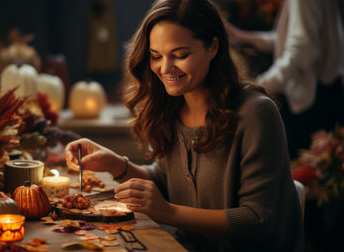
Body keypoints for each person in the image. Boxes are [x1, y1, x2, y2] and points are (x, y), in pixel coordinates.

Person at [65, 0, 304, 251]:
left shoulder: (255, 113)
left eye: (180, 55)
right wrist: (116, 164)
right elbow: (166, 181)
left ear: (213, 47)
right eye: (156, 56)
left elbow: (257, 220)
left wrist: (167, 213)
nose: (165, 68)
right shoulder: (171, 108)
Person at [226, 0, 344, 159]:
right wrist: (246, 37)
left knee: (305, 165)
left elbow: (301, 53)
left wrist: (259, 85)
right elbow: (293, 38)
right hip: (323, 89)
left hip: (314, 96)